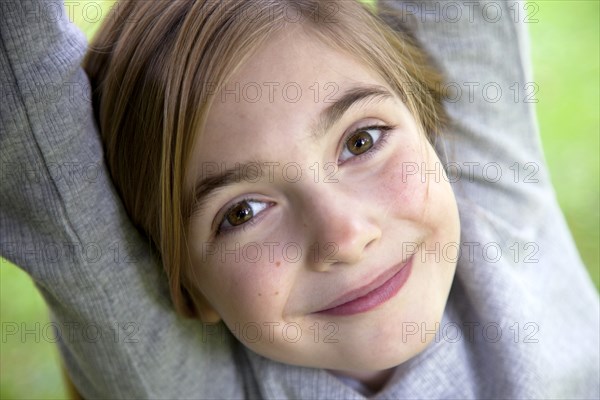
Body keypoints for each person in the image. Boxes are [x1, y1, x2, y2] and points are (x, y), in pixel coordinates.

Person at [1, 0, 598, 398]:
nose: (342, 235)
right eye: (243, 213)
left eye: (361, 141)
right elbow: (29, 119)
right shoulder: (177, 381)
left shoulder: (490, 204)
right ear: (184, 287)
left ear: (428, 125)